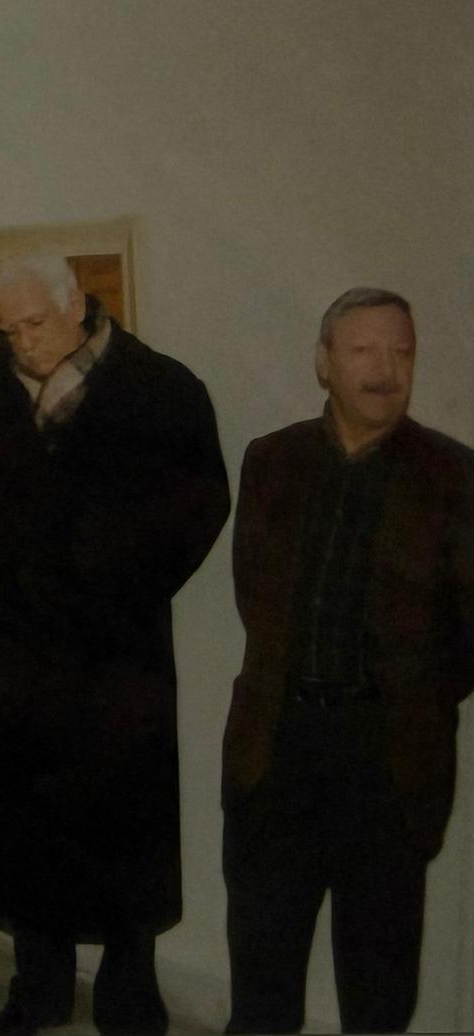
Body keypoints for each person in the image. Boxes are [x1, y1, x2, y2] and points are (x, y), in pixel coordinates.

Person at [0, 254, 230, 1035]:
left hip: (115, 656)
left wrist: (105, 586)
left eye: (36, 323)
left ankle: (129, 994)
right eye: (9, 329)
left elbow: (200, 507)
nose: (25, 342)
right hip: (15, 656)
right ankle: (39, 990)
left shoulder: (161, 388)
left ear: (77, 302)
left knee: (123, 833)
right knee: (26, 835)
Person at [221, 288, 474, 1034]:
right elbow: (255, 596)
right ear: (324, 362)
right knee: (261, 989)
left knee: (379, 997)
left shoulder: (454, 475)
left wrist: (407, 699)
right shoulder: (270, 460)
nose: (385, 369)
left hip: (388, 767)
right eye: (364, 350)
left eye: (402, 352)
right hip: (275, 754)